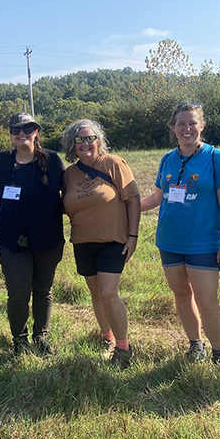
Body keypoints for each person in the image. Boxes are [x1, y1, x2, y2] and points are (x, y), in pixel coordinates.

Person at [140, 103, 220, 364]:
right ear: (173, 128)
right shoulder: (167, 160)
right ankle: (196, 345)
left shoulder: (218, 158)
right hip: (169, 241)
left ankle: (219, 354)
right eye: (181, 124)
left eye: (192, 123)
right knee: (182, 295)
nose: (187, 128)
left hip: (204, 243)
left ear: (202, 126)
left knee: (207, 301)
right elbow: (156, 198)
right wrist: (124, 209)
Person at [61, 119, 140, 368]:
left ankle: (123, 347)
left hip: (113, 240)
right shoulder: (69, 174)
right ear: (72, 144)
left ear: (99, 141)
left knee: (108, 292)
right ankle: (106, 337)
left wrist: (133, 235)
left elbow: (134, 199)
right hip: (83, 241)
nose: (85, 143)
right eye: (79, 139)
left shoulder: (113, 163)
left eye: (90, 138)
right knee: (96, 294)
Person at [0, 113, 65, 355]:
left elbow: (71, 192)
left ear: (36, 131)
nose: (22, 133)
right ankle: (19, 341)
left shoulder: (51, 160)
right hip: (12, 240)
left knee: (43, 291)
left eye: (27, 128)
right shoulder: (0, 163)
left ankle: (41, 337)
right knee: (18, 294)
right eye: (16, 129)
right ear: (10, 133)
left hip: (48, 239)